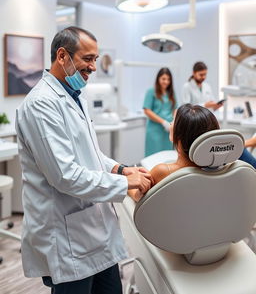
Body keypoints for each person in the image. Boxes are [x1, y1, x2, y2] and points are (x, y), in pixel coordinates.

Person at [15, 26, 152, 294]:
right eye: (87, 59)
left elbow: (89, 153)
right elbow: (64, 175)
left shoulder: (76, 96)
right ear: (62, 56)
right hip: (67, 237)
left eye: (95, 60)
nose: (93, 67)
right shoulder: (41, 104)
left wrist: (121, 169)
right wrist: (125, 185)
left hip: (93, 230)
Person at [129, 103, 220, 202]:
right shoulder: (223, 170)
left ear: (180, 136)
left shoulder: (163, 172)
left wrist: (127, 178)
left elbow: (137, 195)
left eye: (173, 120)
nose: (171, 124)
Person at [143, 67, 178, 157]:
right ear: (158, 79)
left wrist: (173, 122)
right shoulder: (151, 92)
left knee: (168, 157)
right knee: (153, 156)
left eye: (168, 79)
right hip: (155, 130)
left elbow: (175, 109)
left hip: (168, 131)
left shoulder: (171, 93)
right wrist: (163, 122)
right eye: (163, 79)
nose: (166, 82)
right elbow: (147, 110)